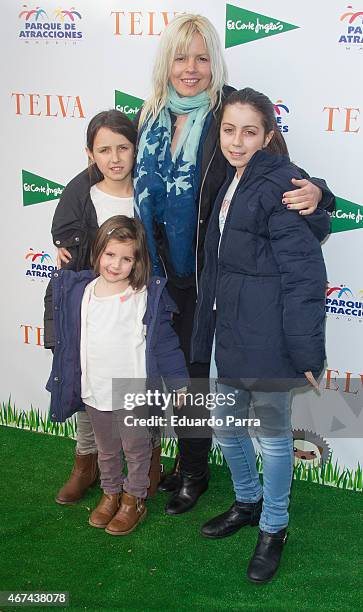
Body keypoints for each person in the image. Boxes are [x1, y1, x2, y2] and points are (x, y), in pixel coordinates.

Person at [134, 13, 334, 515]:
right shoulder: (150, 115)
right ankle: (185, 464)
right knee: (177, 382)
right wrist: (67, 234)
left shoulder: (229, 114)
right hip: (162, 277)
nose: (191, 68)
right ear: (167, 62)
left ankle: (196, 473)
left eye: (202, 57)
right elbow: (108, 168)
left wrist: (321, 195)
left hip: (210, 282)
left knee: (201, 383)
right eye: (181, 56)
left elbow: (285, 177)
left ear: (214, 61)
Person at [191, 88, 329, 583]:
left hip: (268, 337)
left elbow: (304, 274)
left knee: (272, 439)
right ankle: (247, 502)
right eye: (229, 129)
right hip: (228, 332)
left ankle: (274, 528)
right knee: (226, 428)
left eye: (250, 131)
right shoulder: (231, 178)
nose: (237, 140)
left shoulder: (278, 184)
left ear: (269, 136)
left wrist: (307, 348)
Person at [44, 110, 163, 504]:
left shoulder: (152, 192)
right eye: (104, 150)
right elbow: (70, 265)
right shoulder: (81, 196)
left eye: (123, 148)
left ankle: (146, 467)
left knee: (143, 391)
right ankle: (87, 461)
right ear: (90, 154)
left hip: (140, 317)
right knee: (88, 384)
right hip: (94, 317)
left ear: (136, 149)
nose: (115, 158)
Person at [46, 216, 189, 535]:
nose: (116, 264)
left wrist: (179, 383)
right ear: (97, 252)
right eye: (110, 255)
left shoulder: (145, 297)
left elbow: (165, 345)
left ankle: (133, 499)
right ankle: (110, 493)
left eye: (126, 258)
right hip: (94, 390)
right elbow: (68, 337)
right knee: (106, 449)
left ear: (137, 262)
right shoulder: (80, 291)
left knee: (136, 450)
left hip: (133, 392)